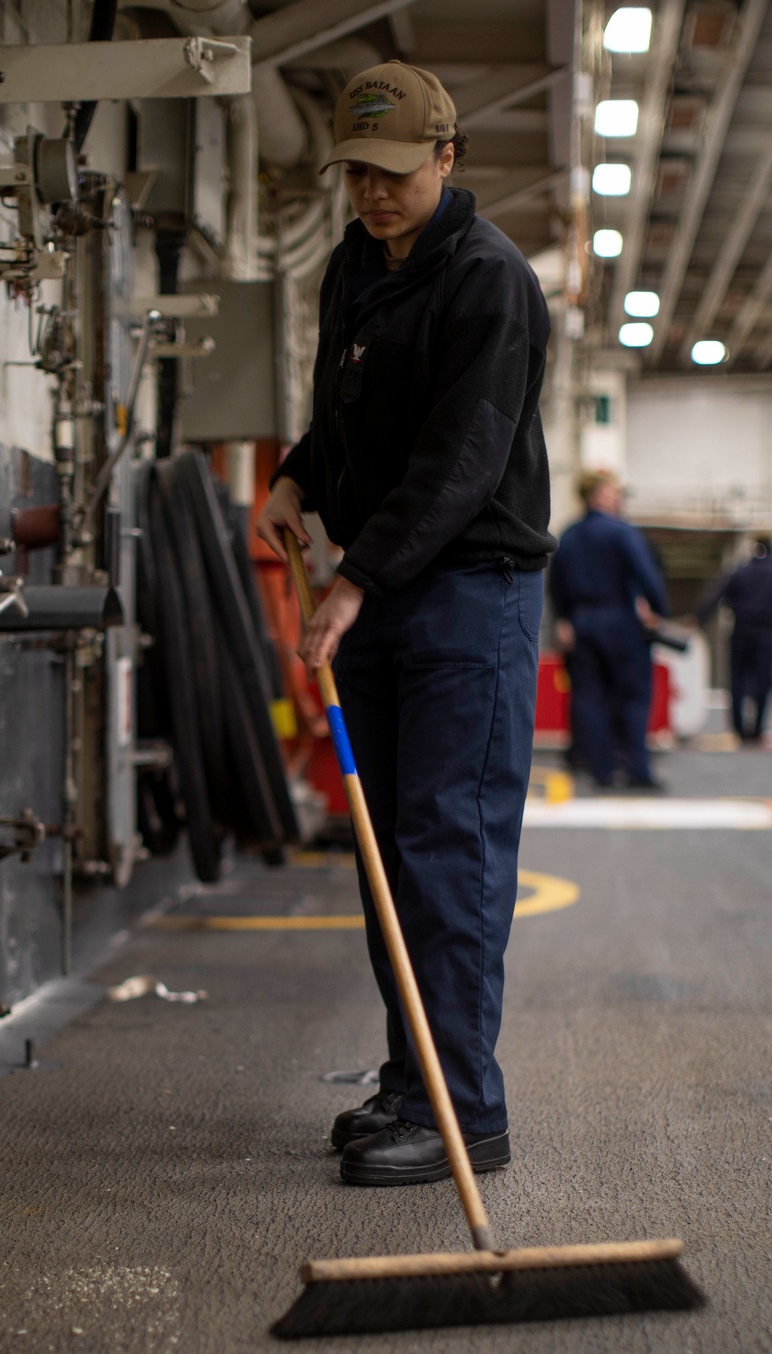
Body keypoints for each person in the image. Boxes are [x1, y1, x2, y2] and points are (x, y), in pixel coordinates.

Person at [256, 61, 555, 1186]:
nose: (373, 194)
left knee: (448, 858)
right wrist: (296, 476)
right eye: (356, 174)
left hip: (466, 601)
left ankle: (465, 1111)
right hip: (383, 593)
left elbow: (459, 460)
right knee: (388, 858)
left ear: (446, 155)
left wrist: (354, 578)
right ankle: (411, 1081)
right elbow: (349, 415)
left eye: (393, 173)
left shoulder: (490, 283)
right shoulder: (352, 268)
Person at [549, 469, 668, 790]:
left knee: (588, 697)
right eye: (613, 491)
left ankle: (600, 772)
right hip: (620, 621)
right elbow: (646, 573)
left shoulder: (568, 535)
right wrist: (658, 609)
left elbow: (554, 584)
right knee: (631, 696)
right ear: (598, 494)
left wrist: (565, 618)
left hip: (581, 624)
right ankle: (636, 771)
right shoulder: (621, 531)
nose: (617, 497)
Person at [697, 533, 772, 742]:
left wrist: (697, 618)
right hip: (764, 633)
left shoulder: (740, 571)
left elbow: (716, 595)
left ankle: (738, 728)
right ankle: (758, 727)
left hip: (740, 629)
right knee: (762, 681)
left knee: (737, 679)